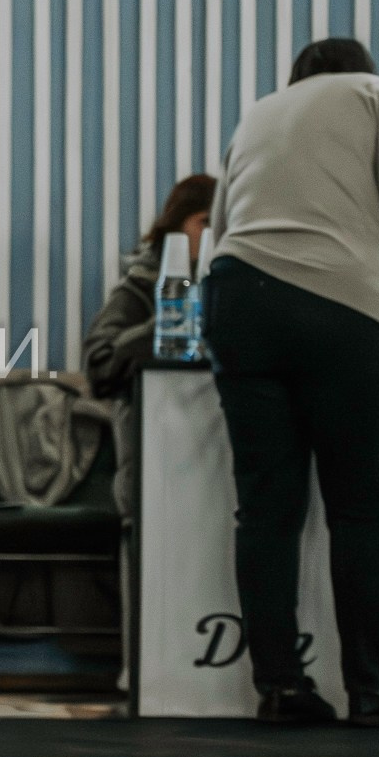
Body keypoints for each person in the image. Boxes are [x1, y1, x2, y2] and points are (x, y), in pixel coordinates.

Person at [200, 37, 379, 728]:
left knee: (267, 511)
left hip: (239, 300)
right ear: (360, 72)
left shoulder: (258, 113)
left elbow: (222, 226)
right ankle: (372, 688)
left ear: (295, 79)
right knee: (362, 508)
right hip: (341, 306)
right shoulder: (377, 95)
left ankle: (281, 687)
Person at [84, 173, 219, 518]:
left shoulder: (234, 290)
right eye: (205, 222)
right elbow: (99, 364)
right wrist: (171, 322)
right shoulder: (141, 288)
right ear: (175, 226)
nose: (214, 235)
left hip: (216, 471)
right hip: (153, 476)